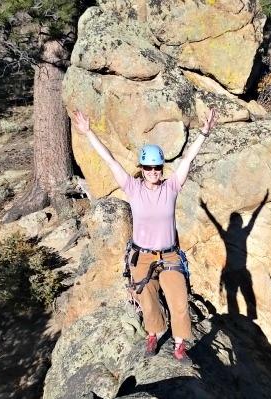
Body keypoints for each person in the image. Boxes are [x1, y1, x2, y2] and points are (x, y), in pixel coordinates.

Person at [73, 108, 218, 363]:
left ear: (162, 167)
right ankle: (153, 334)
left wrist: (204, 133)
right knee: (148, 301)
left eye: (157, 167)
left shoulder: (172, 187)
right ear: (142, 168)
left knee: (179, 300)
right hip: (141, 256)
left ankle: (180, 344)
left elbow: (187, 160)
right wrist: (88, 133)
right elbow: (110, 162)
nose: (153, 171)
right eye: (149, 167)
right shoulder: (133, 188)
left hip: (169, 254)